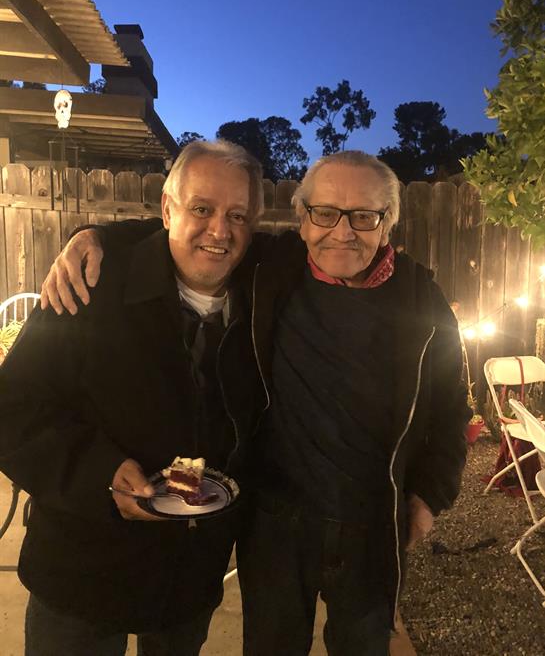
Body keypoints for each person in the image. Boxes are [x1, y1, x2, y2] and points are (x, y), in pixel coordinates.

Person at [41, 149, 471, 656]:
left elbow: (452, 408)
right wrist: (93, 236)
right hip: (276, 522)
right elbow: (189, 232)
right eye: (325, 213)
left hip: (372, 522)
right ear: (302, 217)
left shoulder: (423, 297)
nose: (342, 231)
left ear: (388, 223)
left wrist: (430, 496)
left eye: (364, 216)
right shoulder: (273, 267)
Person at [0, 140, 267, 656]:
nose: (220, 230)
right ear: (166, 210)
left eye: (238, 215)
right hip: (80, 570)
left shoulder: (265, 293)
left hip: (188, 577)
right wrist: (99, 473)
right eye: (201, 209)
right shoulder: (90, 285)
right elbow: (13, 410)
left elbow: (336, 245)